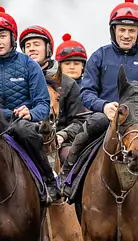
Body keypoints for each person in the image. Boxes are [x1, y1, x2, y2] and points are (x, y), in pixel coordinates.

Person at [57, 0, 138, 203]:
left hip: (137, 121)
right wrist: (104, 106)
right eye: (122, 30)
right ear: (113, 30)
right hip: (104, 117)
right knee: (86, 132)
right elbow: (86, 92)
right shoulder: (99, 56)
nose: (126, 35)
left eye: (131, 31)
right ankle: (67, 178)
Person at [0, 6, 61, 205]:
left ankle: (49, 180)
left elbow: (43, 104)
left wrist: (31, 113)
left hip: (20, 124)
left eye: (2, 36)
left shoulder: (29, 65)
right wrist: (4, 113)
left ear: (12, 37)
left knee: (26, 132)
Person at [21, 26, 88, 165]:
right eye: (28, 46)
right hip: (25, 139)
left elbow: (79, 120)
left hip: (59, 142)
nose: (31, 49)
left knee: (72, 156)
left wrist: (63, 135)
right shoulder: (17, 82)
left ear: (48, 49)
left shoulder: (68, 84)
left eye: (36, 44)